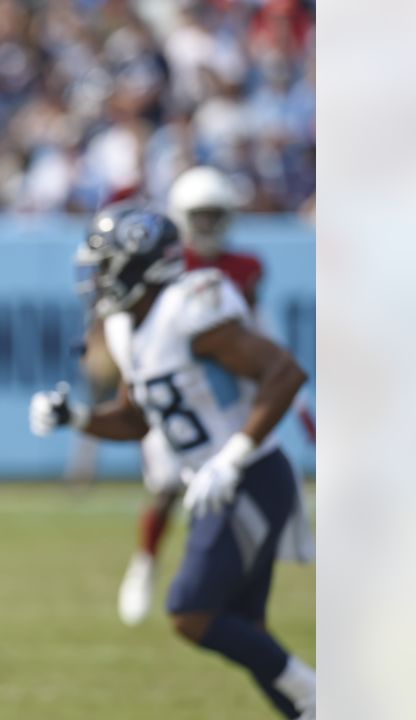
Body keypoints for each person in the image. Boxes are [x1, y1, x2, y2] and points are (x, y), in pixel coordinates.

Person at [29, 210, 316, 718]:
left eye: (106, 266)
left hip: (250, 476)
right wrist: (77, 417)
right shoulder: (126, 327)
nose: (96, 280)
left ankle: (319, 696)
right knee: (246, 626)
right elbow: (139, 418)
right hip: (216, 482)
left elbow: (285, 372)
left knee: (190, 611)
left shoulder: (190, 308)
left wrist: (232, 456)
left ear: (140, 267)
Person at [111, 167, 317, 627]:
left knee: (239, 468)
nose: (206, 226)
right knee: (165, 484)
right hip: (172, 381)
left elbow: (255, 325)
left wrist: (281, 377)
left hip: (223, 384)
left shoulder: (243, 268)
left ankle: (231, 578)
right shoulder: (167, 262)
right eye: (197, 216)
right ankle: (145, 561)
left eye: (213, 215)